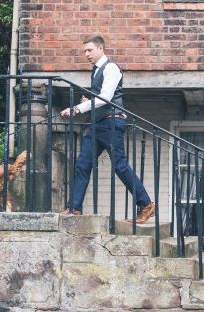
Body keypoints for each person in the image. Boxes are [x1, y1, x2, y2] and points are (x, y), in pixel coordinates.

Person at [60, 35, 155, 223]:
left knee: (120, 166)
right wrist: (88, 101)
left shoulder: (110, 67)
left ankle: (146, 204)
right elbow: (99, 97)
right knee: (82, 164)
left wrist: (77, 109)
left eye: (89, 50)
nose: (86, 54)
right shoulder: (95, 71)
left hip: (111, 123)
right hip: (98, 124)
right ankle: (74, 208)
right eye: (84, 51)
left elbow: (105, 98)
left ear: (100, 48)